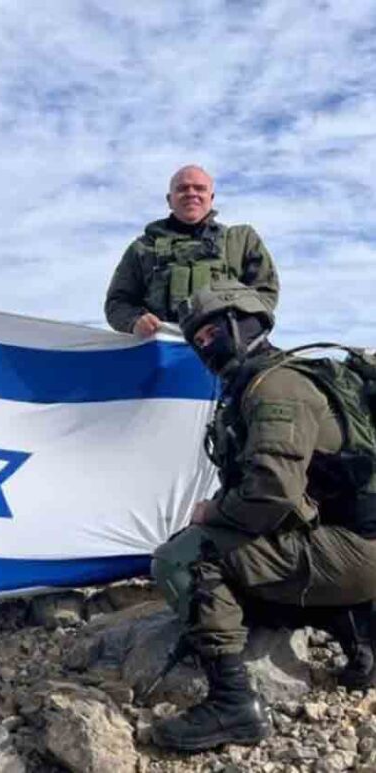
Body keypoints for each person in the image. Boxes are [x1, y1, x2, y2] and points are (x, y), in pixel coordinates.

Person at [148, 279, 376, 751]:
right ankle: (359, 630)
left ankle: (233, 705)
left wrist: (211, 513)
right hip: (354, 543)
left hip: (359, 552)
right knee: (230, 554)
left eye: (210, 334)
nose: (203, 347)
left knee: (185, 559)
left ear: (241, 324)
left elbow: (270, 493)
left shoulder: (276, 388)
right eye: (196, 341)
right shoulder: (263, 381)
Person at [104, 165, 280, 336]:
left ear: (211, 198)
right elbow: (117, 303)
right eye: (182, 188)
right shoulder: (142, 248)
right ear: (169, 199)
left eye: (199, 188)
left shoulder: (242, 240)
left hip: (227, 354)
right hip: (162, 352)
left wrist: (236, 328)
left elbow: (265, 293)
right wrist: (134, 321)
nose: (191, 193)